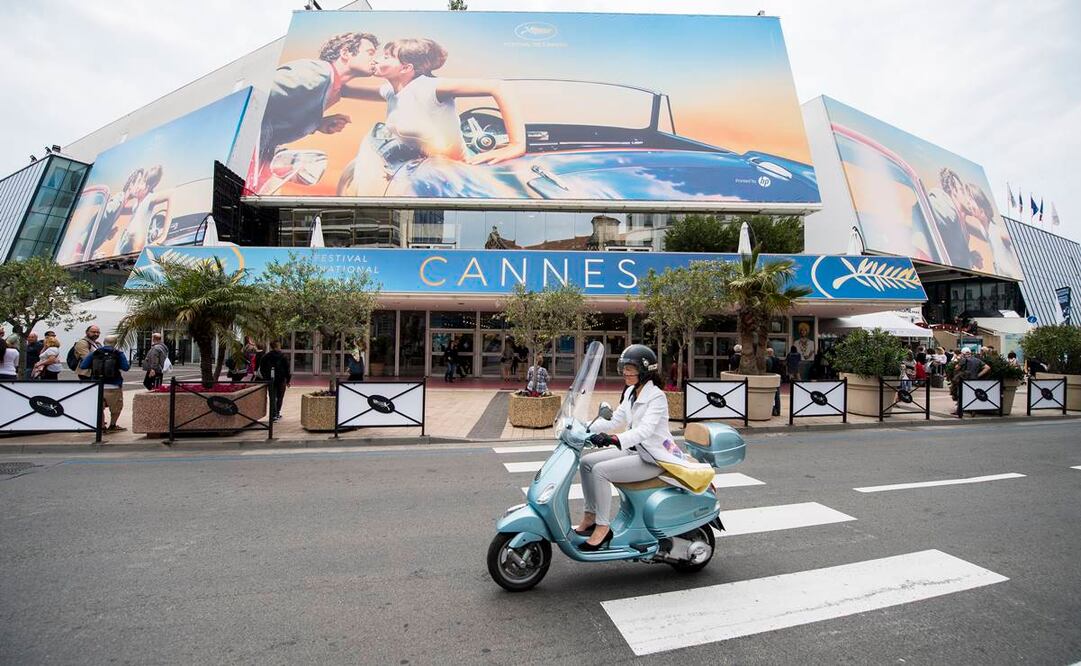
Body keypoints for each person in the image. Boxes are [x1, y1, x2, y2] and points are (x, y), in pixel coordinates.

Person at [575, 345, 697, 551]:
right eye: (624, 368)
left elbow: (644, 431)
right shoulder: (631, 392)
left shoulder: (657, 397)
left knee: (600, 471)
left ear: (645, 371)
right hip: (634, 451)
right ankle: (591, 516)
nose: (626, 372)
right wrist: (582, 426)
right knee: (586, 462)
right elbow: (614, 419)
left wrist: (613, 439)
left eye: (630, 369)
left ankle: (603, 528)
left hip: (653, 457)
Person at [256, 31, 382, 189]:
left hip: (259, 159)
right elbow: (260, 98)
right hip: (252, 156)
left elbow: (381, 93)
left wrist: (317, 123)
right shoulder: (317, 73)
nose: (375, 60)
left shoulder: (333, 86)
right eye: (370, 53)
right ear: (345, 53)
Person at [80, 335, 130, 432]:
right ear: (115, 343)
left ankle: (102, 426)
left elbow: (83, 365)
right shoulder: (118, 353)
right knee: (116, 407)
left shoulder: (95, 353)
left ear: (103, 342)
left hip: (98, 384)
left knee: (99, 407)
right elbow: (126, 368)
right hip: (114, 385)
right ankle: (113, 425)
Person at [259, 341, 291, 421]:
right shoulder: (283, 356)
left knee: (272, 397)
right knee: (280, 397)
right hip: (281, 379)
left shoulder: (266, 356)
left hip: (270, 380)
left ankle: (273, 414)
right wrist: (288, 380)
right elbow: (287, 369)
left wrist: (265, 377)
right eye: (279, 345)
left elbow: (262, 368)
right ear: (278, 346)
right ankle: (277, 412)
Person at [765, 348, 781, 416]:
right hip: (776, 378)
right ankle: (777, 410)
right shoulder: (777, 359)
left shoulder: (766, 360)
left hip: (768, 378)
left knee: (768, 395)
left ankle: (770, 410)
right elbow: (779, 368)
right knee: (777, 396)